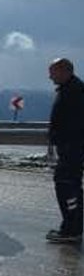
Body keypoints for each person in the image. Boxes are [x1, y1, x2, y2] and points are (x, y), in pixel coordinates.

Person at [46, 58, 84, 243]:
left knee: (66, 185)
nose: (50, 76)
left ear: (64, 71)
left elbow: (75, 123)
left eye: (52, 72)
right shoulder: (70, 88)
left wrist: (65, 141)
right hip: (70, 147)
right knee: (72, 186)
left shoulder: (74, 91)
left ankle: (71, 228)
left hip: (72, 148)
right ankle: (73, 226)